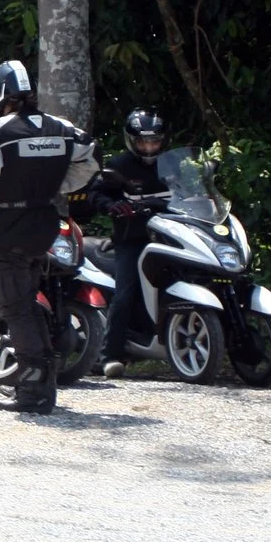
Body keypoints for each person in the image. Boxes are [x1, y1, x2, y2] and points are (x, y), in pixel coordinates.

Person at [0, 60, 100, 414]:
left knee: (17, 307)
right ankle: (41, 386)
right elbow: (91, 158)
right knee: (29, 303)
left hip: (9, 225)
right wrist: (59, 185)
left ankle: (30, 391)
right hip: (45, 223)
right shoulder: (62, 127)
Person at [92, 107, 170, 375]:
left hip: (171, 238)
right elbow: (97, 194)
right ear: (131, 141)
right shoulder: (119, 165)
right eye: (143, 141)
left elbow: (191, 193)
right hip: (132, 239)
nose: (149, 147)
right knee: (125, 293)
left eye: (154, 141)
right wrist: (113, 207)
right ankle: (109, 355)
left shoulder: (172, 165)